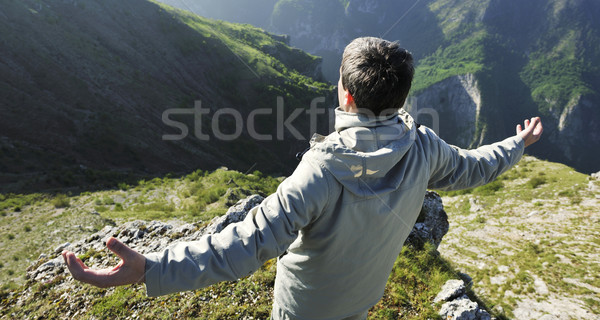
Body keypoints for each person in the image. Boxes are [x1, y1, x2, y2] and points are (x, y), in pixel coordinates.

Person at [62, 37, 543, 319]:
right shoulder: (425, 149)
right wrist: (516, 145)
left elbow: (245, 244)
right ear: (401, 98)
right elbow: (477, 166)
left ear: (346, 97)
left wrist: (152, 268)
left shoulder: (321, 171)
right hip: (361, 298)